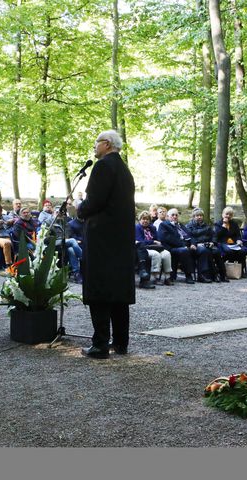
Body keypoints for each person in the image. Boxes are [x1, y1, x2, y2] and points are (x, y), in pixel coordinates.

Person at [77, 130, 135, 359]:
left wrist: (80, 209)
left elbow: (95, 201)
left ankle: (100, 344)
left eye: (97, 142)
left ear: (107, 144)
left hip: (102, 240)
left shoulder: (102, 166)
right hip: (120, 241)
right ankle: (121, 342)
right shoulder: (124, 169)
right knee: (118, 292)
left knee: (99, 290)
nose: (94, 146)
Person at [157, 208, 196, 284]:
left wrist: (193, 244)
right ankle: (188, 275)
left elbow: (190, 236)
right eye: (172, 215)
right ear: (167, 217)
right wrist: (183, 245)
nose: (175, 217)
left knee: (202, 250)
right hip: (171, 248)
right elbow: (167, 238)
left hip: (185, 246)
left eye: (176, 215)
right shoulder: (164, 225)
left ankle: (204, 275)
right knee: (184, 250)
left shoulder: (180, 225)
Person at [186, 207, 224, 283]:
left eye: (201, 215)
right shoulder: (189, 226)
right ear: (193, 217)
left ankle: (222, 274)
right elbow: (190, 237)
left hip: (207, 245)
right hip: (195, 247)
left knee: (216, 251)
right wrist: (197, 243)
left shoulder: (206, 225)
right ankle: (203, 275)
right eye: (197, 216)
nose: (199, 217)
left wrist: (212, 242)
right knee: (205, 251)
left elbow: (214, 235)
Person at [135, 211, 173, 286]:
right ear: (140, 220)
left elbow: (158, 239)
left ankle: (167, 277)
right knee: (156, 255)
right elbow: (141, 241)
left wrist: (156, 242)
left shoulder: (152, 228)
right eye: (143, 219)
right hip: (145, 249)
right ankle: (156, 277)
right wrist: (153, 241)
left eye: (147, 219)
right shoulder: (137, 227)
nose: (145, 221)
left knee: (167, 254)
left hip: (155, 247)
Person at [213, 207, 247, 278]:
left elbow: (238, 235)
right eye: (226, 214)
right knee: (228, 251)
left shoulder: (234, 224)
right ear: (223, 214)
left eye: (230, 215)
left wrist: (239, 240)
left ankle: (241, 269)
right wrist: (223, 227)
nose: (228, 216)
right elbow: (216, 235)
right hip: (223, 243)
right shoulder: (218, 224)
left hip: (234, 243)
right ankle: (224, 269)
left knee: (243, 251)